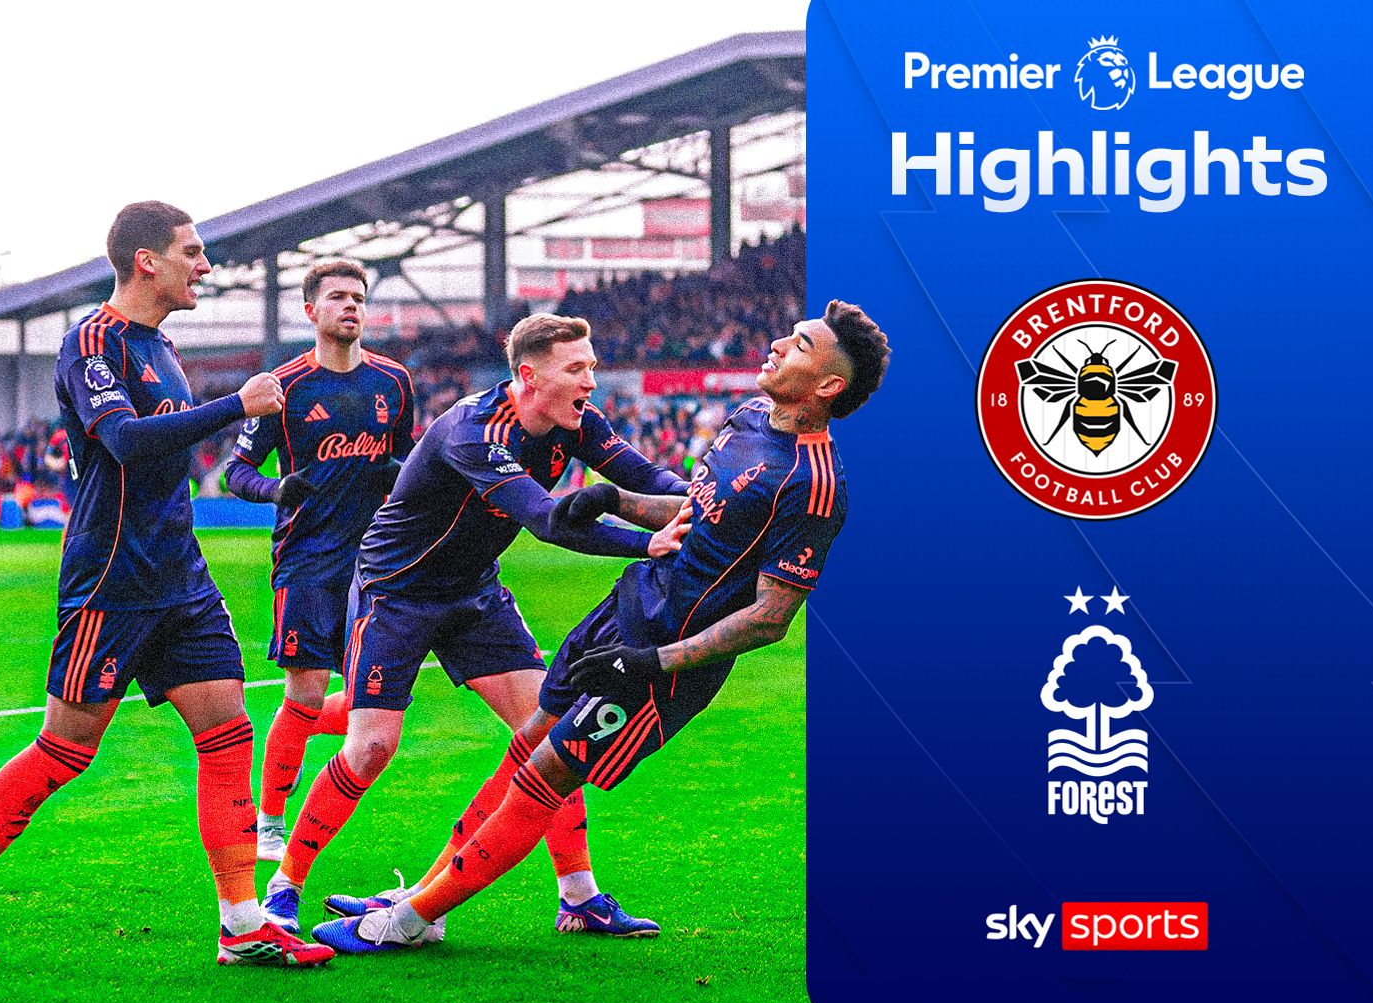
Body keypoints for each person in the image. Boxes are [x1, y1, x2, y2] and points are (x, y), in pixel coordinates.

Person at [312, 302, 891, 953]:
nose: (780, 343)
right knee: (528, 744)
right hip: (625, 609)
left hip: (662, 664)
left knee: (544, 778)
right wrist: (615, 498)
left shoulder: (816, 483)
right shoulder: (751, 416)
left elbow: (769, 618)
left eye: (802, 344)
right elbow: (694, 512)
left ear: (828, 385)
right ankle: (427, 897)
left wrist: (654, 662)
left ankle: (408, 922)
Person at [0, 201, 332, 968]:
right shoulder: (92, 342)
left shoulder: (162, 345)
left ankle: (241, 924)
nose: (204, 265)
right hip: (111, 576)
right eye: (192, 252)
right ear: (148, 260)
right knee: (66, 748)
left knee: (229, 732)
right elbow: (125, 441)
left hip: (180, 574)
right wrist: (234, 406)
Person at [261, 312, 689, 937]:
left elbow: (650, 479)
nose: (591, 382)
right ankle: (285, 886)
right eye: (577, 369)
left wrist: (709, 502)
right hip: (396, 593)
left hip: (474, 593)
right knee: (372, 747)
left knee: (550, 735)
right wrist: (644, 543)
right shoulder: (474, 431)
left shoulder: (578, 423)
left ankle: (577, 896)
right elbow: (547, 520)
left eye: (592, 367)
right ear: (528, 375)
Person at [223, 258, 415, 864]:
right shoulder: (284, 388)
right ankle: (270, 822)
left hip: (378, 562)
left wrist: (400, 478)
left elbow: (408, 461)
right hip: (307, 561)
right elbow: (235, 472)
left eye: (358, 297)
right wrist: (277, 490)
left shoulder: (394, 383)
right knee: (305, 694)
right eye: (337, 297)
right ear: (311, 311)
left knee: (371, 701)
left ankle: (314, 750)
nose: (351, 305)